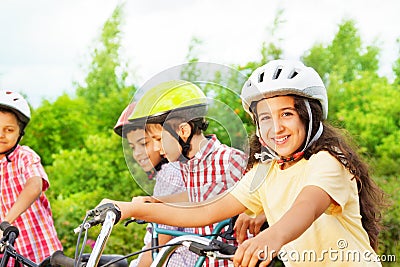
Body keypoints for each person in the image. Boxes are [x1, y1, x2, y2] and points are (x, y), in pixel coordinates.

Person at [100, 60, 386, 267]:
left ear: (308, 116)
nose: (276, 127)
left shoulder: (328, 161)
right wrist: (132, 208)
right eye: (265, 118)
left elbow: (307, 207)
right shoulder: (266, 170)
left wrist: (271, 237)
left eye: (287, 114)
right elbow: (207, 211)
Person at [127, 80, 248, 267]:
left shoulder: (231, 160)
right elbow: (197, 195)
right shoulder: (186, 166)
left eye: (159, 139)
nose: (157, 148)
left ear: (183, 131)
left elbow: (264, 200)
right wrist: (158, 201)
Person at [113, 103, 197, 267]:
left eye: (144, 143)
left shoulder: (171, 172)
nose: (137, 153)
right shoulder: (176, 170)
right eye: (132, 147)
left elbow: (158, 245)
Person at [0, 90, 62, 265]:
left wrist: (6, 222)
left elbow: (34, 186)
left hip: (38, 248)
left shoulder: (25, 156)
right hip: (8, 253)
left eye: (9, 129)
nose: (1, 135)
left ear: (20, 132)